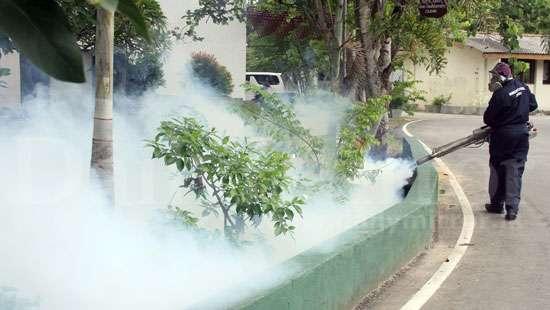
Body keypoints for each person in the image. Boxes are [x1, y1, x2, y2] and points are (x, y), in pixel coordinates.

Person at [484, 62, 538, 221]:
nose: (492, 79)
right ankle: (512, 210)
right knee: (514, 170)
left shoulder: (500, 94)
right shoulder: (522, 86)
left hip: (502, 136)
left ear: (501, 77)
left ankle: (496, 205)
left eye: (494, 76)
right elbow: (533, 105)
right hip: (521, 135)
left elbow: (488, 118)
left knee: (497, 168)